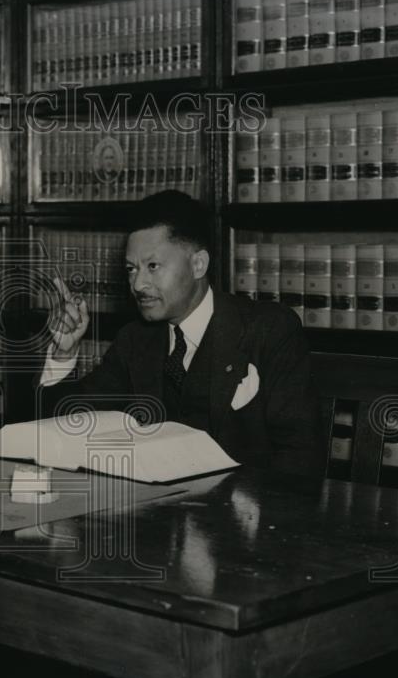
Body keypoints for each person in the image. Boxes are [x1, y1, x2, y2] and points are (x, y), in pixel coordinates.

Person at [41, 190, 322, 476]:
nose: (138, 284)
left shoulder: (268, 330)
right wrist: (64, 354)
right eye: (131, 269)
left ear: (198, 264)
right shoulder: (135, 340)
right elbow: (66, 427)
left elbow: (298, 459)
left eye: (153, 266)